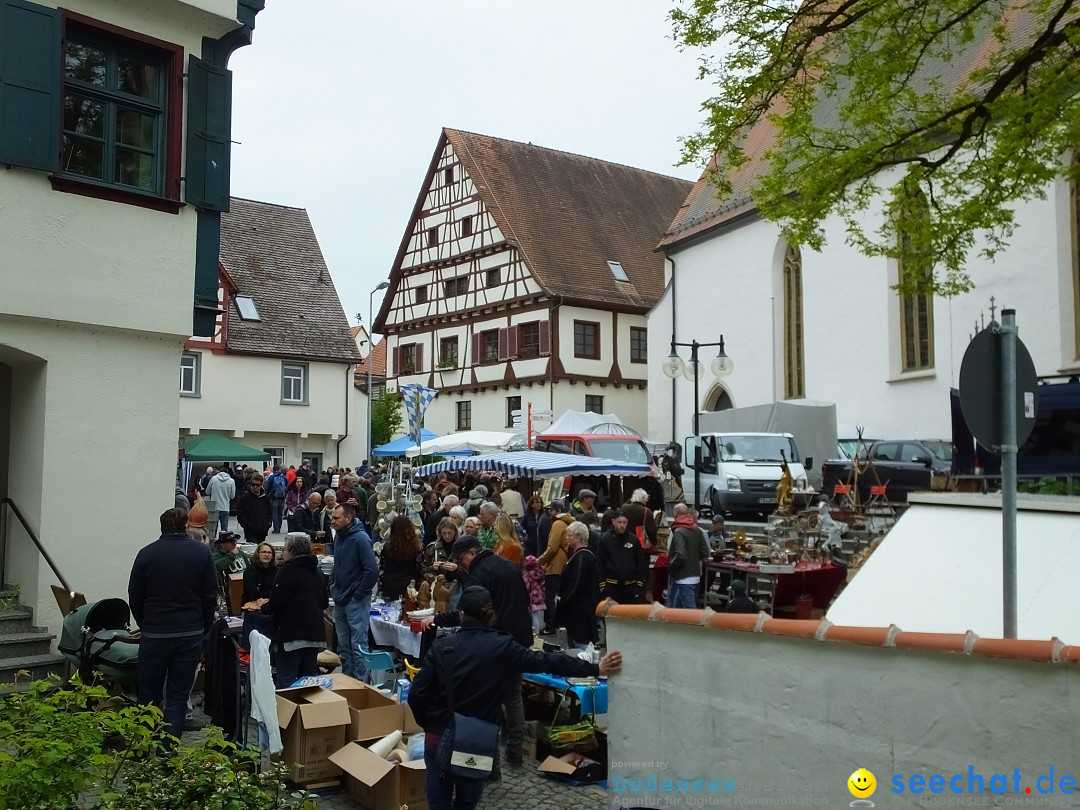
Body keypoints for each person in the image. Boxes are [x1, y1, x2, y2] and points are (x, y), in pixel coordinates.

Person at [409, 585, 623, 810]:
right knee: (467, 803)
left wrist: (431, 724)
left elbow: (417, 695)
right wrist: (595, 668)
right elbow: (547, 661)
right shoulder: (502, 646)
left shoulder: (443, 647)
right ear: (489, 614)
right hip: (476, 741)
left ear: (462, 614)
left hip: (438, 734)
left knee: (438, 804)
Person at [422, 536, 533, 769]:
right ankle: (514, 752)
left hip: (495, 641)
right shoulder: (508, 565)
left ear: (472, 553)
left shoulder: (480, 574)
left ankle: (489, 764)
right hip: (519, 637)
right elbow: (525, 600)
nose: (461, 564)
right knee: (513, 697)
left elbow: (467, 610)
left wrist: (437, 619)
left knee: (488, 700)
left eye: (462, 559)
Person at [128, 507, 217, 742]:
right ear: (186, 527)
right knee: (177, 695)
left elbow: (135, 595)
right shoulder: (201, 553)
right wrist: (203, 626)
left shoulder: (146, 554)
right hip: (190, 631)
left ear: (161, 527)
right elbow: (210, 596)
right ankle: (169, 750)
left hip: (155, 632)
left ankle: (142, 746)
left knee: (147, 693)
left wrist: (145, 624)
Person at [262, 533, 329, 687]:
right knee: (309, 681)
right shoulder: (318, 572)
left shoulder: (287, 571)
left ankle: (288, 711)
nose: (282, 553)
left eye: (284, 550)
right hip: (315, 634)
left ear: (291, 551)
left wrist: (265, 609)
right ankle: (309, 710)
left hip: (291, 635)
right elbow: (324, 603)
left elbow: (277, 602)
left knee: (287, 680)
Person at [330, 504, 379, 681]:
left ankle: (361, 685)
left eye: (336, 518)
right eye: (332, 517)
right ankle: (347, 682)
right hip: (341, 597)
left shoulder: (360, 538)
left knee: (358, 646)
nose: (332, 521)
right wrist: (333, 584)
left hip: (355, 600)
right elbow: (337, 563)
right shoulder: (340, 537)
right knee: (344, 645)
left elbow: (372, 570)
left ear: (348, 519)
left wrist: (358, 593)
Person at [556, 522, 600, 647]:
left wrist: (563, 600)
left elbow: (577, 583)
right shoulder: (579, 555)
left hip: (579, 609)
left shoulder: (583, 556)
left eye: (570, 535)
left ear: (580, 538)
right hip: (577, 608)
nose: (566, 538)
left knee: (581, 643)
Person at [537, 501, 574, 635]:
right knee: (563, 595)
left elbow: (552, 548)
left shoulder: (558, 524)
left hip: (556, 565)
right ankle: (564, 622)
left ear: (557, 510)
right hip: (566, 563)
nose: (548, 513)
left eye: (550, 510)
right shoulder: (569, 521)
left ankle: (550, 626)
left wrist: (540, 560)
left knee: (549, 597)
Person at [597, 509, 647, 604]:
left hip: (630, 586)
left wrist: (640, 584)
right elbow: (600, 562)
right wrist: (602, 585)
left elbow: (640, 562)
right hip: (611, 586)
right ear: (613, 522)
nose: (622, 525)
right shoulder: (605, 539)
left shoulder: (634, 540)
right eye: (619, 522)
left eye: (624, 522)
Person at [666, 504, 712, 609]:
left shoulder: (678, 531)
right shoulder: (696, 529)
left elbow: (681, 555)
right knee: (676, 609)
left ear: (675, 514)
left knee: (691, 612)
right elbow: (705, 552)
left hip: (683, 577)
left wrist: (671, 565)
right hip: (695, 575)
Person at [380, 515, 424, 602]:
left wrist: (381, 587)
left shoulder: (387, 547)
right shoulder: (416, 547)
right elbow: (420, 567)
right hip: (410, 585)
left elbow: (382, 568)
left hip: (390, 584)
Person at [236, 473, 272, 543]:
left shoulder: (265, 497)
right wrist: (248, 526)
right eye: (253, 484)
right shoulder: (245, 497)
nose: (255, 486)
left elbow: (269, 512)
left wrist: (268, 524)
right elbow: (240, 515)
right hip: (250, 532)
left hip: (263, 531)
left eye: (257, 485)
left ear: (261, 485)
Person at [205, 467, 236, 535]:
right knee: (224, 530)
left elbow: (207, 491)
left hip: (214, 507)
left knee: (212, 529)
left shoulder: (214, 479)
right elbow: (232, 496)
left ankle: (212, 543)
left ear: (219, 472)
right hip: (225, 507)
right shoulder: (231, 481)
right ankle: (223, 543)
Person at [523, 555, 547, 636]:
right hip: (538, 596)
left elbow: (526, 587)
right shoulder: (539, 573)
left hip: (531, 597)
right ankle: (536, 632)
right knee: (535, 615)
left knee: (532, 616)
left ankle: (535, 632)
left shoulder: (527, 575)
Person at [266, 466, 289, 534]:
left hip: (274, 497)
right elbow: (287, 486)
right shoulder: (284, 477)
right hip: (282, 497)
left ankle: (276, 529)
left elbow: (268, 488)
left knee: (274, 513)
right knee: (280, 513)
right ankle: (279, 527)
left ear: (273, 470)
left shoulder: (271, 477)